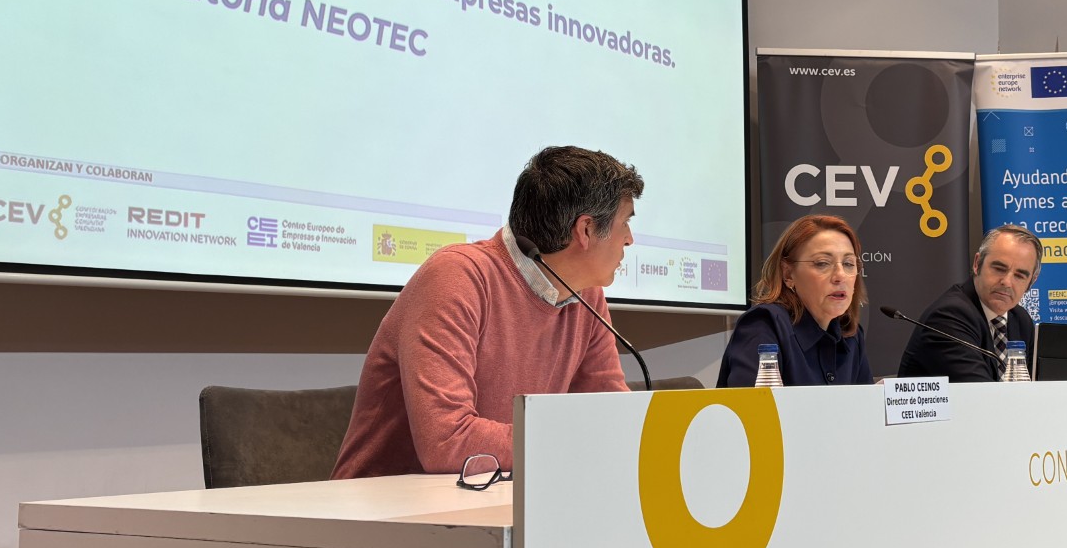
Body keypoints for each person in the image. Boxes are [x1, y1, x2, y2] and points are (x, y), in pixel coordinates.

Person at [332, 146, 642, 478]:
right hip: (386, 504)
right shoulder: (457, 277)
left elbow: (612, 420)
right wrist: (572, 443)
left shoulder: (585, 295)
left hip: (497, 495)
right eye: (625, 222)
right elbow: (447, 442)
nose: (630, 239)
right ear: (586, 230)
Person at [718, 215, 872, 387]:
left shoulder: (850, 335)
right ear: (788, 274)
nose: (840, 275)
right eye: (823, 263)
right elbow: (752, 403)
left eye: (849, 264)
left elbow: (866, 403)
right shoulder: (764, 325)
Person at [897, 223, 1041, 381]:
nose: (1007, 282)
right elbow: (978, 391)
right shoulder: (949, 317)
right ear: (977, 263)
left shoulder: (1020, 319)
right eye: (999, 269)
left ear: (1031, 282)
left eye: (1019, 276)